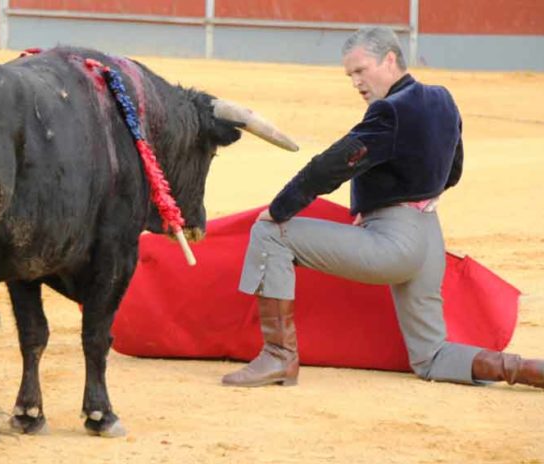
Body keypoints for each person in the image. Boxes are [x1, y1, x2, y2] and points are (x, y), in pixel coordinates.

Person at [221, 26, 544, 389]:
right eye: (350, 76)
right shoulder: (443, 99)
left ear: (390, 59)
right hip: (428, 242)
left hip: (393, 243)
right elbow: (454, 170)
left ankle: (279, 357)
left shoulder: (389, 111)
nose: (356, 82)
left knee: (270, 233)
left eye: (361, 70)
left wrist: (280, 208)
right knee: (431, 356)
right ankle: (528, 370)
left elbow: (333, 164)